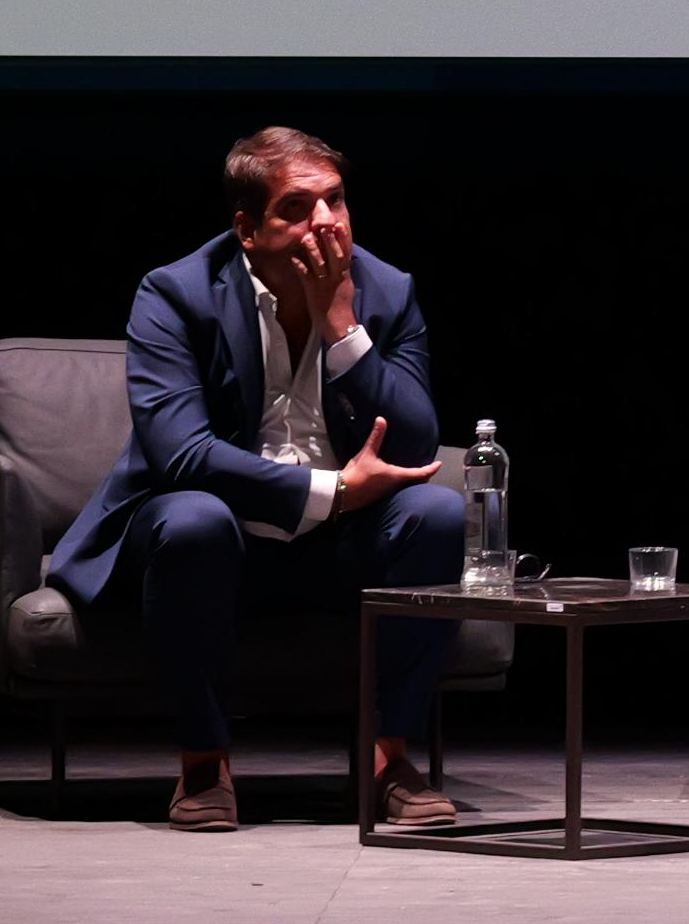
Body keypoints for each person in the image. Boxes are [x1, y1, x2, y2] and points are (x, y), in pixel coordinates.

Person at [46, 129, 466, 834]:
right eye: (297, 208)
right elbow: (181, 454)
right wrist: (334, 491)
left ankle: (388, 760)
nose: (326, 223)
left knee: (438, 514)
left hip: (338, 547)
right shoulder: (177, 293)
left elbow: (420, 439)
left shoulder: (387, 291)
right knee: (193, 519)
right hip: (218, 539)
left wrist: (342, 327)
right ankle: (203, 764)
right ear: (247, 229)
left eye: (336, 200)